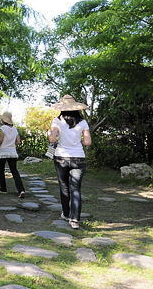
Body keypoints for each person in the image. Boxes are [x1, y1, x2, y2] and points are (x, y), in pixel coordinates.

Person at [49, 94, 92, 230]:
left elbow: (52, 139)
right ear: (76, 108)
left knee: (64, 187)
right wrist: (79, 141)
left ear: (62, 108)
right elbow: (88, 142)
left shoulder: (56, 120)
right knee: (76, 189)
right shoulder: (83, 122)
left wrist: (55, 137)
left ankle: (66, 214)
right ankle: (75, 220)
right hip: (78, 158)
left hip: (61, 157)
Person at [0, 112, 25, 198]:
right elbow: (18, 142)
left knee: (1, 170)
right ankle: (21, 190)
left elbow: (1, 139)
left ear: (4, 120)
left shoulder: (3, 128)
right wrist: (11, 144)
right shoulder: (14, 129)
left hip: (3, 152)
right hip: (12, 152)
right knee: (14, 171)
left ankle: (3, 189)